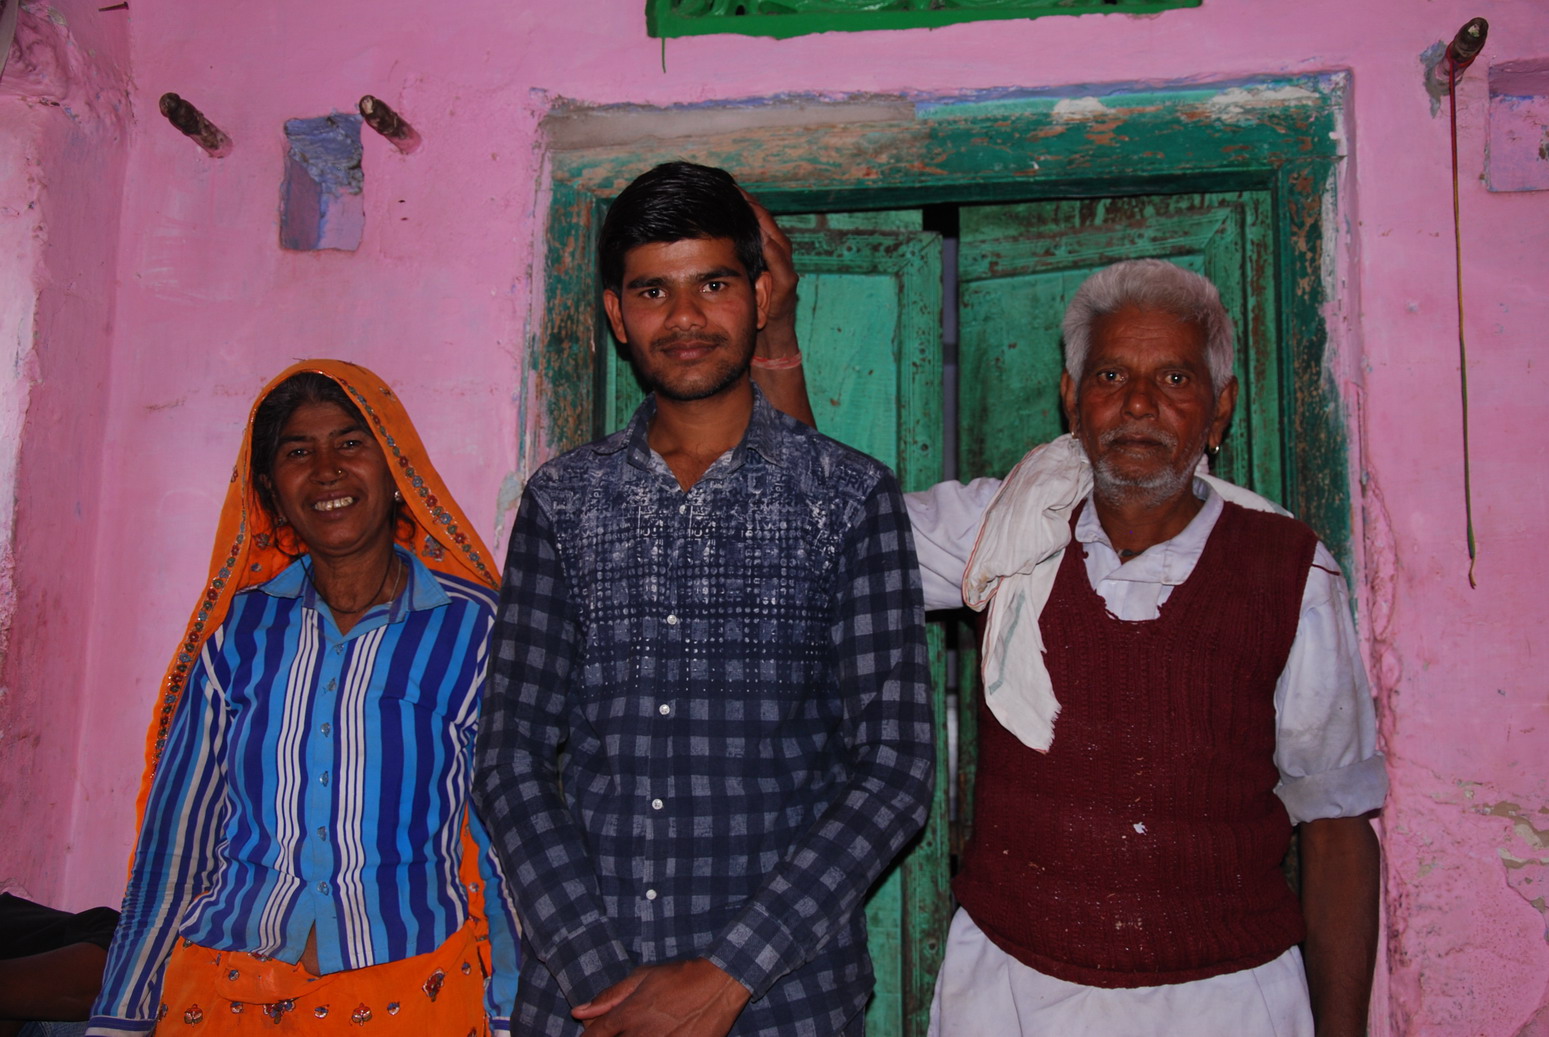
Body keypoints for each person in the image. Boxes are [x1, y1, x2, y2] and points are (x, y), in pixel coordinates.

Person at [472, 161, 935, 1037]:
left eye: (713, 283)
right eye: (652, 290)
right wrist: (604, 976)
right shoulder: (562, 502)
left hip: (783, 1001)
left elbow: (897, 771)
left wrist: (724, 978)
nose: (684, 319)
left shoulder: (847, 499)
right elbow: (510, 757)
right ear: (616, 314)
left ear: (760, 297)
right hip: (586, 1005)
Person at [891, 259, 1385, 1037]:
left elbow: (1335, 821)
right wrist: (781, 343)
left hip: (1227, 999)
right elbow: (834, 540)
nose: (1139, 404)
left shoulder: (1286, 569)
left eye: (1176, 379)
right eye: (1111, 373)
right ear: (1071, 400)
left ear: (1218, 412)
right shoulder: (1001, 530)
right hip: (1009, 989)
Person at [86, 361, 519, 1036]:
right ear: (270, 490)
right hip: (223, 995)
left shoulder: (474, 631)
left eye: (350, 443)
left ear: (393, 467)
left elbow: (502, 849)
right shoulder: (237, 633)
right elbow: (178, 847)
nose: (326, 470)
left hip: (415, 994)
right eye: (297, 452)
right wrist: (121, 1016)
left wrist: (508, 1013)